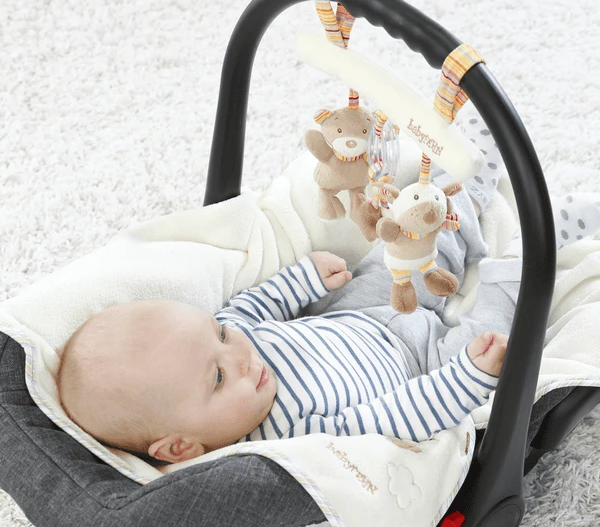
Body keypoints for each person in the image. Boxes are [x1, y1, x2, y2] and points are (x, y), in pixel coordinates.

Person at [57, 109, 600, 465]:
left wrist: (305, 278)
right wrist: (465, 377)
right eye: (218, 378)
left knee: (410, 244)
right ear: (181, 446)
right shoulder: (279, 442)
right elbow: (386, 421)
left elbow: (250, 307)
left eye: (219, 336)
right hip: (422, 367)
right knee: (499, 335)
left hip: (355, 312)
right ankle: (532, 251)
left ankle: (467, 185)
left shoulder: (230, 340)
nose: (239, 355)